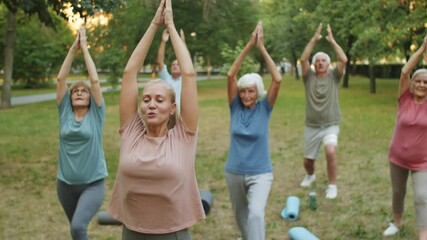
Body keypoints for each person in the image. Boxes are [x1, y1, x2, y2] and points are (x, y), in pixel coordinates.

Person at [107, 0, 205, 239]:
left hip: (172, 234)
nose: (151, 104)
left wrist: (170, 25)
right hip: (131, 232)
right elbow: (130, 73)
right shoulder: (131, 133)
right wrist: (154, 24)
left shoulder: (183, 137)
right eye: (147, 99)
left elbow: (189, 74)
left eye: (159, 100)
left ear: (172, 108)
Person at [225, 21, 282, 240]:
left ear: (257, 92)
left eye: (250, 92)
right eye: (243, 92)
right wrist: (249, 45)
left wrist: (261, 48)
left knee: (256, 214)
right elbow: (231, 76)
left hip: (260, 172)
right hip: (234, 171)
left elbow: (277, 79)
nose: (246, 96)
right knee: (241, 216)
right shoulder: (234, 107)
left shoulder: (264, 108)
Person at [56, 27, 108, 240]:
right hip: (65, 184)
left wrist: (85, 48)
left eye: (83, 91)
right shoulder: (65, 112)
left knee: (78, 227)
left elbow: (94, 82)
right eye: (75, 91)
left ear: (90, 98)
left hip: (92, 183)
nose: (78, 93)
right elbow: (61, 79)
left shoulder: (96, 114)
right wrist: (72, 49)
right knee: (75, 230)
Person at [383, 34, 427, 239]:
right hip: (398, 157)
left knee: (422, 196)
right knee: (398, 193)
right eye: (418, 81)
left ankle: (423, 233)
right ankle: (397, 223)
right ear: (412, 83)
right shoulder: (404, 98)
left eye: (426, 82)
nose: (421, 85)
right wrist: (422, 48)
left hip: (422, 161)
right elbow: (404, 72)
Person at [299, 23, 347, 199]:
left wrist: (332, 41)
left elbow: (344, 60)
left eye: (323, 60)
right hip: (311, 126)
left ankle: (332, 185)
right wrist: (314, 40)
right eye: (317, 61)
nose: (320, 63)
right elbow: (303, 59)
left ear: (328, 64)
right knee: (308, 162)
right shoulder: (308, 78)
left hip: (330, 125)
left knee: (330, 151)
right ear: (314, 65)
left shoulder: (334, 76)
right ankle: (310, 175)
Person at [157, 28, 186, 110]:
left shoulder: (185, 80)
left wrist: (182, 43)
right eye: (173, 64)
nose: (175, 66)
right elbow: (160, 61)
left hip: (182, 116)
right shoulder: (166, 78)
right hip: (168, 115)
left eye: (178, 64)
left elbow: (186, 61)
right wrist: (163, 41)